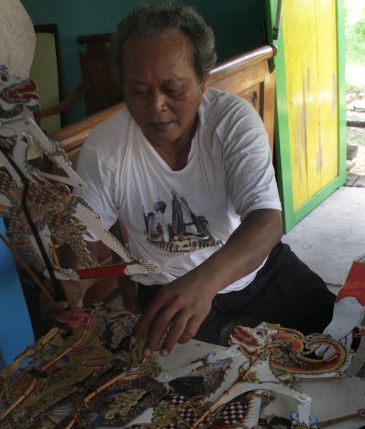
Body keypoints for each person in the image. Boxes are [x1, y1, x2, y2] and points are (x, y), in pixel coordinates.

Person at [62, 3, 335, 357]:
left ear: (203, 79)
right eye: (139, 91)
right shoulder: (106, 147)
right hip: (166, 290)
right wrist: (69, 279)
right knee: (203, 389)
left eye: (172, 89)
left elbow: (266, 220)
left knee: (341, 337)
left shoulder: (232, 121)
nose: (156, 106)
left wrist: (204, 283)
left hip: (258, 272)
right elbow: (81, 235)